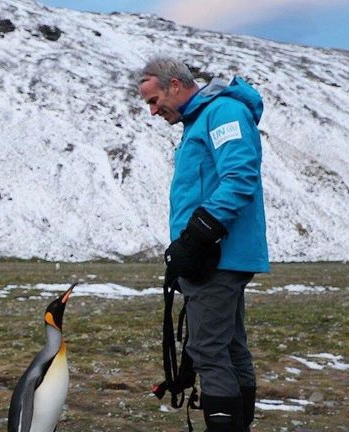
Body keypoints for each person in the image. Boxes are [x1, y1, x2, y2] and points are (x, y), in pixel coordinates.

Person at [138, 56, 269, 432]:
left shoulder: (223, 113)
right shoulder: (200, 121)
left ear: (175, 85)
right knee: (228, 346)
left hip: (219, 257)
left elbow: (240, 175)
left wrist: (197, 235)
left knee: (209, 350)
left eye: (153, 99)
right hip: (215, 256)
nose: (152, 111)